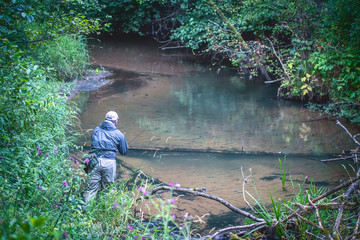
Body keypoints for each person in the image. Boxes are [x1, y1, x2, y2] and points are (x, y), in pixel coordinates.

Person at [83, 111, 128, 204]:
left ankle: (84, 214)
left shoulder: (96, 130)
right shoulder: (119, 134)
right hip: (109, 163)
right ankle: (105, 212)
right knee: (108, 190)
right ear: (115, 121)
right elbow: (124, 152)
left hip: (94, 161)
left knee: (90, 190)